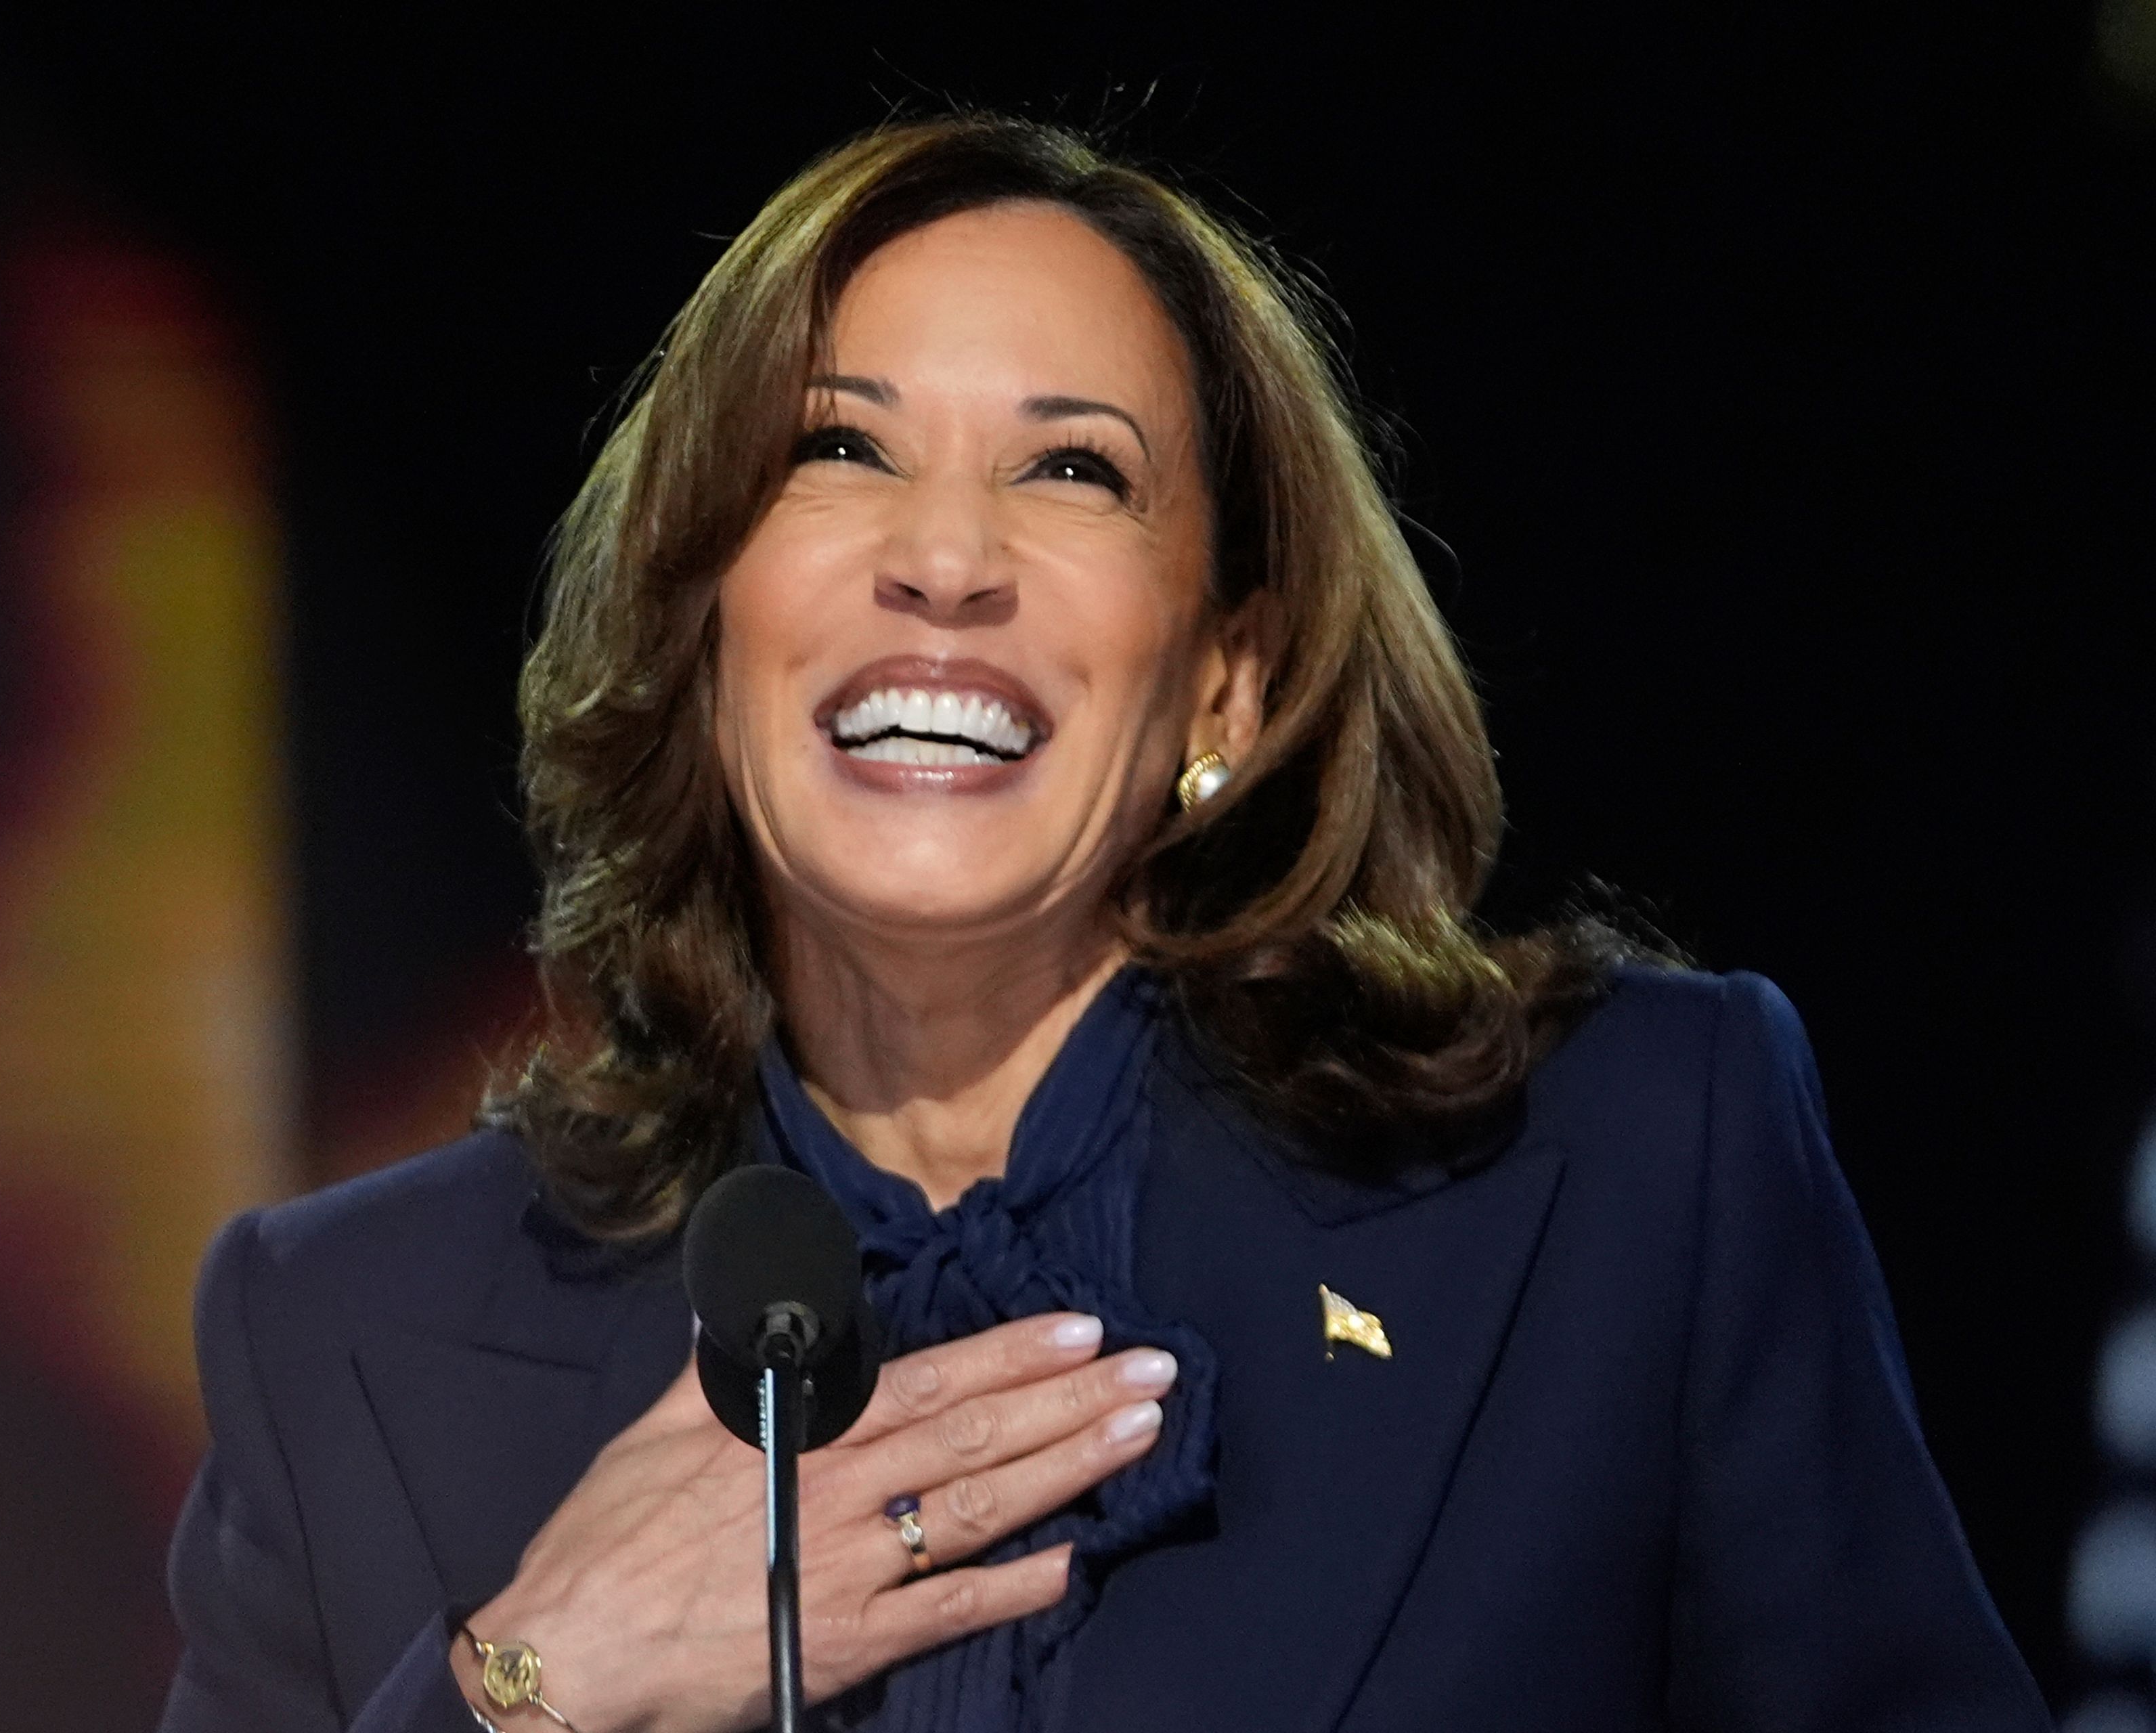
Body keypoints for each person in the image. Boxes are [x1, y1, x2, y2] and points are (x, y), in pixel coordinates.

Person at [156, 114, 2050, 1733]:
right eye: (840, 447)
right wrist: (538, 1680)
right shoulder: (348, 1334)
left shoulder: (1636, 1166)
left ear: (1227, 687)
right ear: (699, 618)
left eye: (1075, 470)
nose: (948, 555)